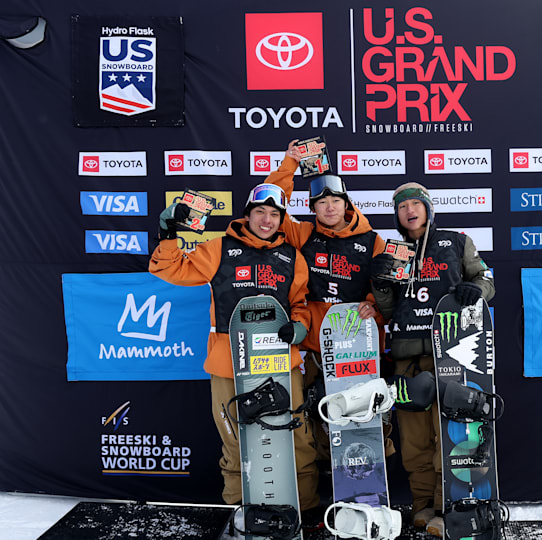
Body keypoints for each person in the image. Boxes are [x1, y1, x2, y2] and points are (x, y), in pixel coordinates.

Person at [148, 183, 320, 518]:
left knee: (297, 438)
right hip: (228, 360)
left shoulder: (292, 257)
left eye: (274, 214)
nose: (267, 220)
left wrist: (299, 326)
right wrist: (168, 234)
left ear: (281, 220)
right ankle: (240, 513)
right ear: (247, 215)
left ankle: (307, 510)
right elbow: (169, 269)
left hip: (279, 361)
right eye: (260, 212)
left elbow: (300, 303)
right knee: (236, 439)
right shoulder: (219, 249)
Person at [370, 182, 495, 538]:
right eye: (402, 206)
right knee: (414, 441)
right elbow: (388, 309)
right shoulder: (393, 251)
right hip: (407, 359)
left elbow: (486, 279)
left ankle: (446, 508)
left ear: (427, 208)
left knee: (449, 437)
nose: (409, 211)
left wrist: (476, 290)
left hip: (452, 354)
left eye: (415, 204)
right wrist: (380, 284)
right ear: (396, 215)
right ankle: (422, 505)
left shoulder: (456, 242)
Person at [266, 140, 392, 467]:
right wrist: (290, 163)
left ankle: (373, 476)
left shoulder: (372, 240)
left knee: (365, 415)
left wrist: (374, 307)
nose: (330, 208)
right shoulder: (304, 234)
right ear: (313, 208)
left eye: (335, 200)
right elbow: (271, 206)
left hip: (359, 348)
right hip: (317, 347)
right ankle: (329, 480)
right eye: (321, 203)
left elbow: (387, 287)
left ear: (346, 204)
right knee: (318, 415)